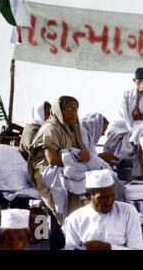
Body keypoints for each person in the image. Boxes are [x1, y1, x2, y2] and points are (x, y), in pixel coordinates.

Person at [27, 96, 90, 225]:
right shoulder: (50, 128)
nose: (74, 114)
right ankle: (68, 223)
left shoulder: (74, 129)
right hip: (48, 170)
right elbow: (52, 159)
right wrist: (76, 163)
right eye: (70, 110)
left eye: (76, 110)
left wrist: (83, 156)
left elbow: (81, 152)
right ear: (59, 111)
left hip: (68, 166)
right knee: (66, 186)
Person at [63, 169, 143, 250]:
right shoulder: (75, 218)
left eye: (112, 195)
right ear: (88, 196)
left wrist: (109, 248)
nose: (109, 201)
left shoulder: (128, 211)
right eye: (103, 198)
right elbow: (71, 248)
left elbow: (138, 248)